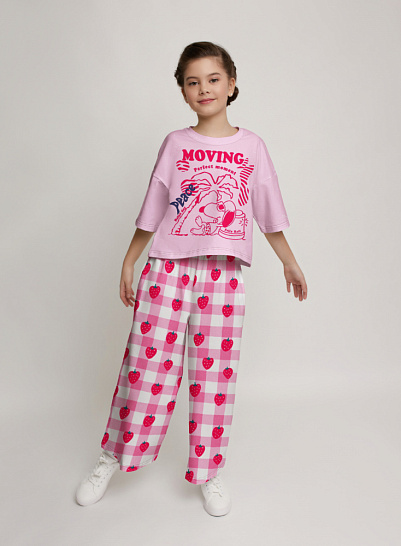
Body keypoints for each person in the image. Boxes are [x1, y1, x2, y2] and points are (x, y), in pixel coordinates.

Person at [75, 41, 307, 517]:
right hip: (168, 268)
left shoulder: (252, 146)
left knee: (213, 375)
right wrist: (129, 260)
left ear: (232, 84)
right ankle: (112, 457)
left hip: (223, 275)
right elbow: (154, 205)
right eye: (192, 82)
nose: (204, 89)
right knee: (145, 370)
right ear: (182, 91)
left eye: (213, 79)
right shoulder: (176, 144)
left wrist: (289, 260)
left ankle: (209, 471)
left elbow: (268, 210)